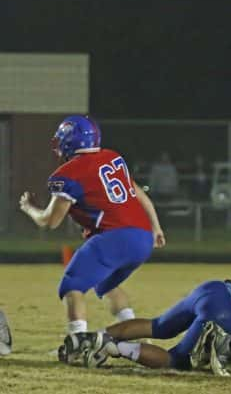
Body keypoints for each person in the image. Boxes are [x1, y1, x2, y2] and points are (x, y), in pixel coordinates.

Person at [18, 115, 165, 361]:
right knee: (106, 285)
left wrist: (29, 208)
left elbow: (51, 221)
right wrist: (156, 227)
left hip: (114, 237)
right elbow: (138, 193)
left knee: (72, 285)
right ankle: (137, 338)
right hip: (142, 238)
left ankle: (78, 346)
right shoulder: (112, 157)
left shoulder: (68, 173)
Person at [60, 279, 231, 373]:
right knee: (178, 360)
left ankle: (93, 338)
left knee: (159, 326)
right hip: (226, 310)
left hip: (214, 289)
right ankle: (113, 348)